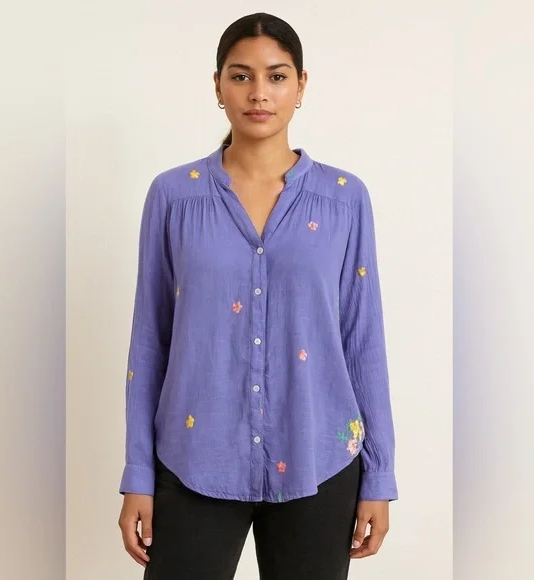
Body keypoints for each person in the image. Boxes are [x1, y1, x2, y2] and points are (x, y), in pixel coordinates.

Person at [117, 11, 398, 580]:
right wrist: (137, 475)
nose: (259, 93)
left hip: (320, 459)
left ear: (301, 85)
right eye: (241, 76)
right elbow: (150, 339)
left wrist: (379, 476)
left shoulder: (344, 199)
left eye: (277, 76)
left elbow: (362, 339)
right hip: (194, 459)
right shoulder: (174, 196)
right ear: (218, 86)